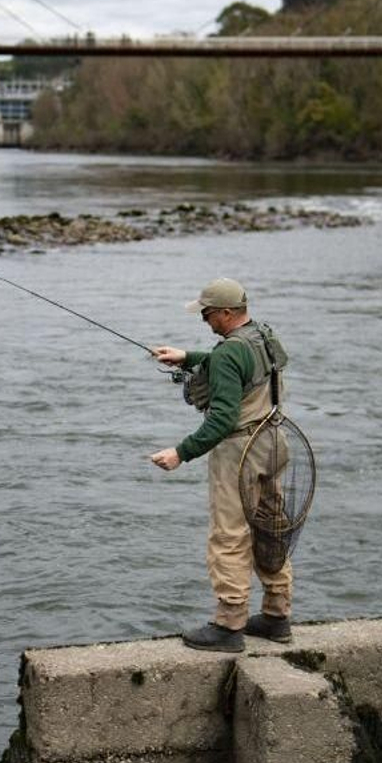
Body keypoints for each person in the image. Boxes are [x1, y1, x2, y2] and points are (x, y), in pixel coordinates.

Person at [150, 277, 293, 653]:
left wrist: (180, 452)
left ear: (227, 313)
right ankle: (277, 616)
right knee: (271, 527)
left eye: (209, 314)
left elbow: (222, 419)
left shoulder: (230, 352)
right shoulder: (263, 335)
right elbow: (238, 363)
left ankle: (229, 625)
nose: (205, 321)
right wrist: (189, 357)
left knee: (229, 534)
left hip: (240, 450)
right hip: (275, 440)